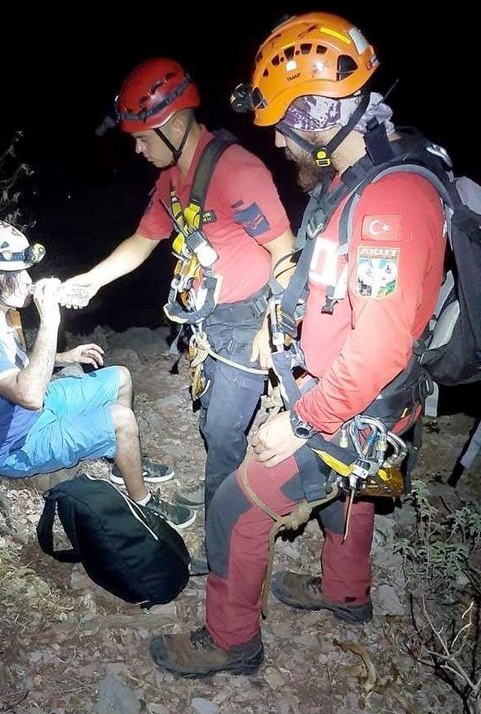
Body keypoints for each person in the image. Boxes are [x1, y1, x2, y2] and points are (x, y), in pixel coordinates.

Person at [150, 11, 447, 677]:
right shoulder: (366, 173)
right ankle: (346, 595)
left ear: (316, 115)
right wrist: (279, 324)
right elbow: (326, 276)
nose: (280, 141)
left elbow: (378, 346)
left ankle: (231, 643)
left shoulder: (388, 204)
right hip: (373, 403)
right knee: (357, 494)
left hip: (355, 407)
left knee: (235, 507)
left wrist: (301, 420)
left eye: (286, 123)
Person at [62, 58, 296, 572]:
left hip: (247, 319)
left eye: (142, 138)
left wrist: (271, 323)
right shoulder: (173, 180)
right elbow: (144, 240)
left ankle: (225, 551)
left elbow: (285, 251)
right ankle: (227, 507)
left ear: (169, 124)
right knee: (216, 429)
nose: (138, 149)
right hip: (208, 321)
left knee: (226, 433)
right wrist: (91, 279)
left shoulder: (237, 171)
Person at [0, 218, 194, 529]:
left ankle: (117, 461)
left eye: (23, 271)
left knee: (120, 377)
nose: (24, 280)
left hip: (28, 410)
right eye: (13, 275)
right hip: (11, 444)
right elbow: (30, 395)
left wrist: (64, 357)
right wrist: (50, 321)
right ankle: (143, 503)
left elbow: (19, 364)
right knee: (122, 419)